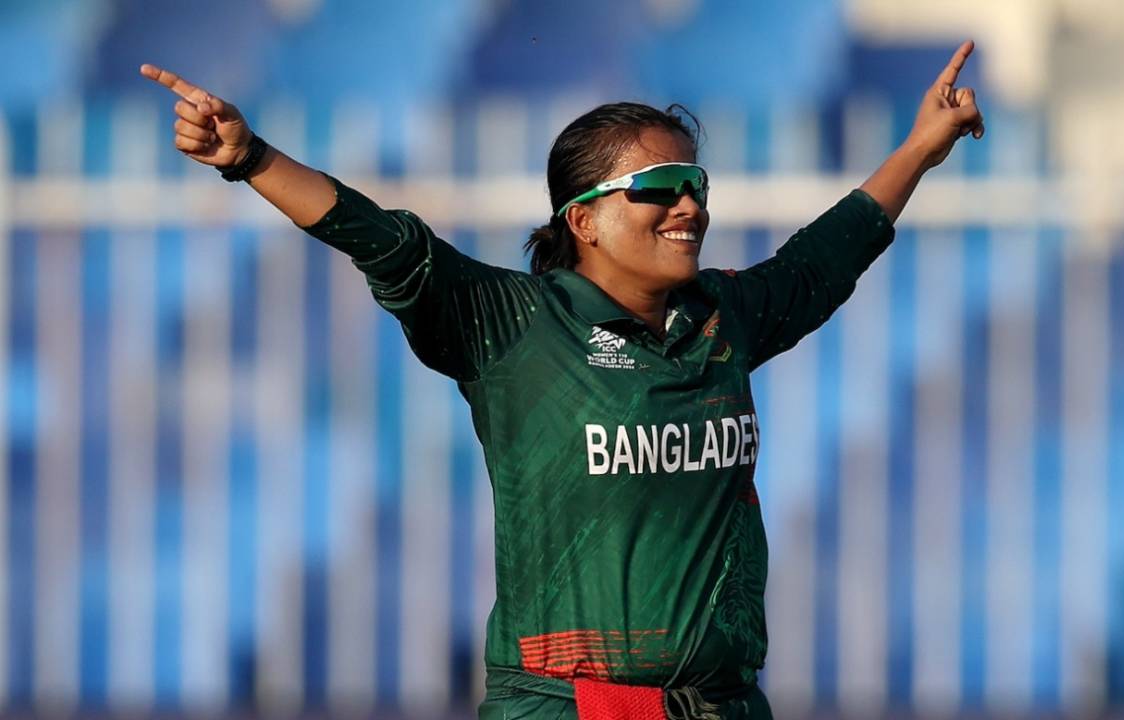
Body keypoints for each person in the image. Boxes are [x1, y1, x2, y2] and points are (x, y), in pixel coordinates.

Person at [141, 40, 983, 720]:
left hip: (722, 707)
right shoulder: (512, 323)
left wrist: (918, 150)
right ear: (581, 217)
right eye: (659, 188)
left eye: (696, 185)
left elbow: (823, 259)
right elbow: (387, 241)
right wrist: (249, 157)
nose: (689, 206)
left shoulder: (724, 316)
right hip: (566, 707)